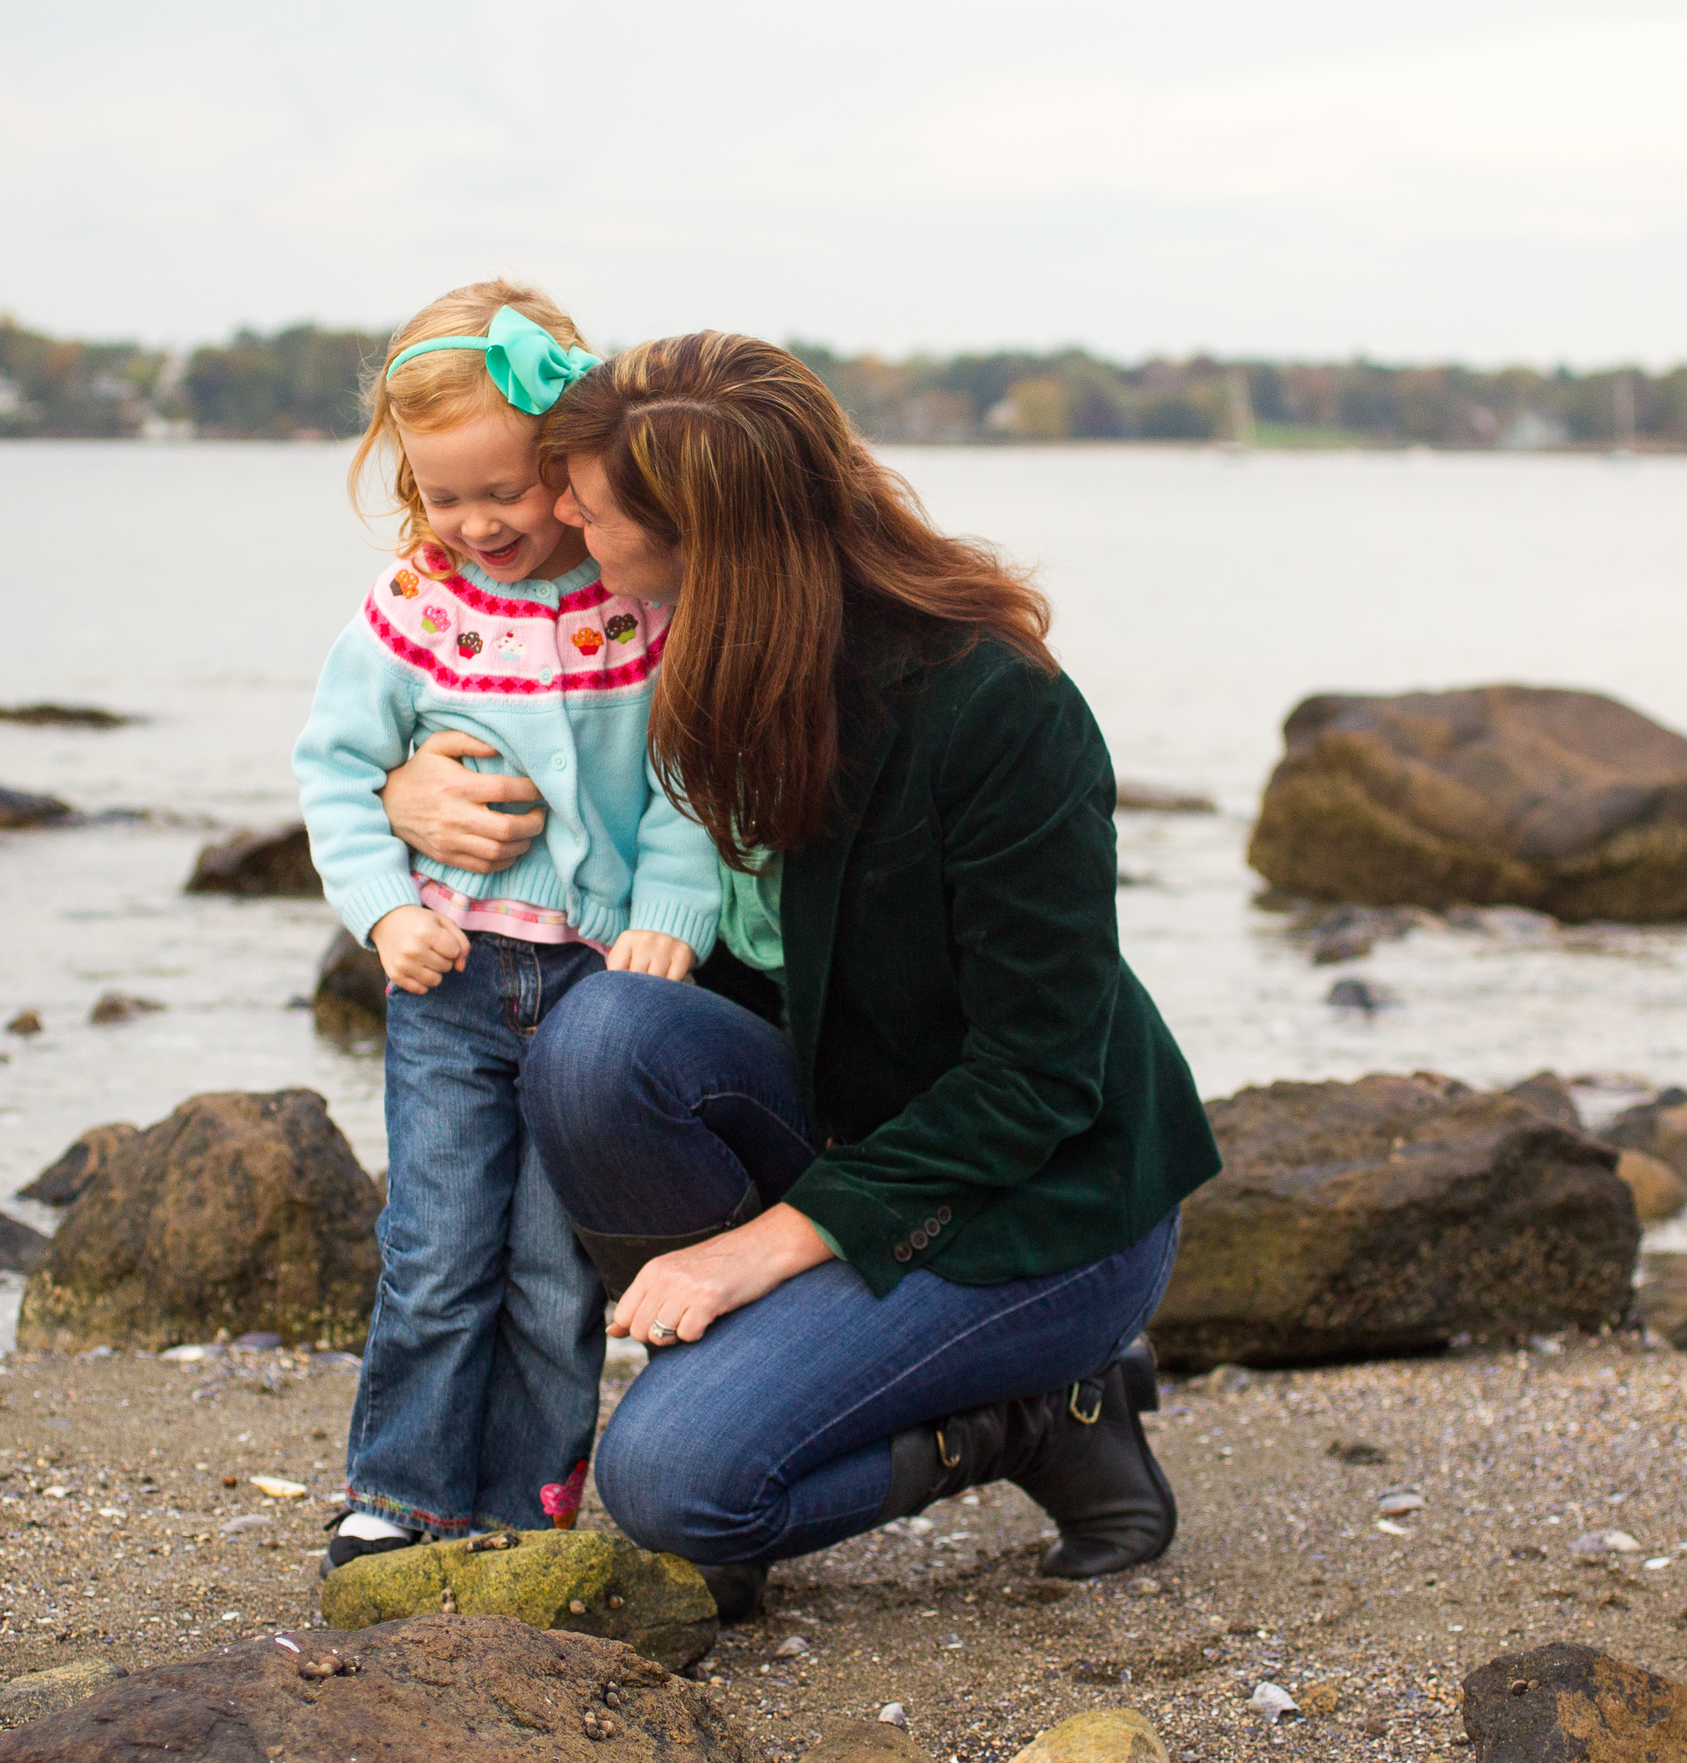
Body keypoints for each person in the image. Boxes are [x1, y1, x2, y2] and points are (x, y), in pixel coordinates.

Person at [375, 331, 1221, 1616]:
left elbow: (1036, 1075)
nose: (552, 518)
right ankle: (786, 1376)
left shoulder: (995, 709)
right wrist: (405, 782)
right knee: (598, 1039)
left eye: (585, 507)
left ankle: (1033, 1416)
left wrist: (752, 1253)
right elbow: (479, 697)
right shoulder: (671, 646)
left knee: (672, 1488)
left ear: (701, 540)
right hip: (843, 1130)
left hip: (1044, 1202)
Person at [292, 282, 722, 1575]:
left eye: (506, 491)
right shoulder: (411, 610)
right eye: (443, 496)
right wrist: (379, 912)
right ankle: (399, 1488)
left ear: (570, 468)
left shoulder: (637, 598)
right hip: (454, 973)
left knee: (549, 1271)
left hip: (593, 990)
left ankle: (527, 1501)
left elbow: (687, 776)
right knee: (434, 1248)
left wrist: (669, 915)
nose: (477, 524)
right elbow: (334, 770)